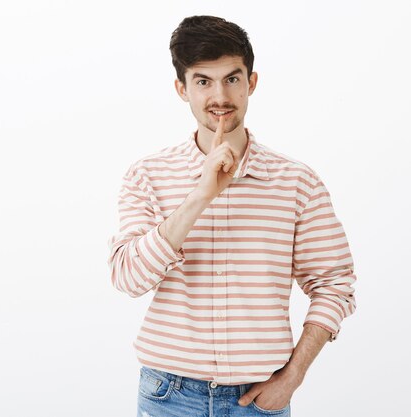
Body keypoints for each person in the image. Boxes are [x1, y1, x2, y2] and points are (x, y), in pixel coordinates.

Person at [106, 15, 357, 417]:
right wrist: (201, 195)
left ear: (251, 83)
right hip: (168, 396)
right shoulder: (147, 175)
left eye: (232, 79)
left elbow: (335, 283)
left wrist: (293, 377)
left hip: (259, 399)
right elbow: (128, 278)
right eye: (203, 81)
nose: (219, 95)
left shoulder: (297, 182)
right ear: (182, 89)